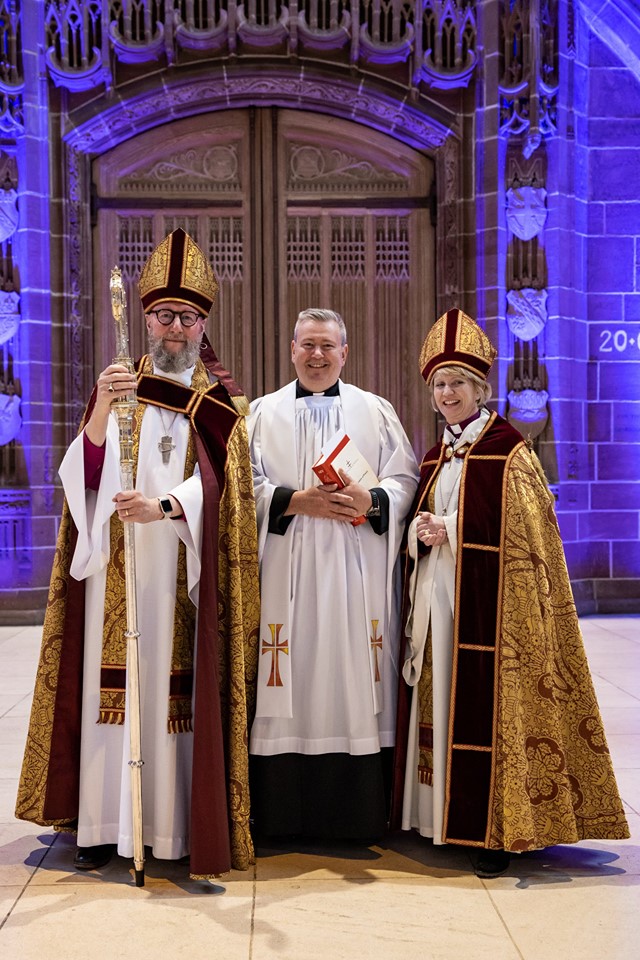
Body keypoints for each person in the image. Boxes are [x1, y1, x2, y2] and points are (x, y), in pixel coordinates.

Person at [15, 228, 260, 880]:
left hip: (181, 572)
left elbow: (228, 490)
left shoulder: (222, 404)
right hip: (116, 573)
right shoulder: (119, 386)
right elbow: (83, 474)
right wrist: (100, 410)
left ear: (203, 324)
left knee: (172, 700)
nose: (175, 328)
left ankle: (174, 830)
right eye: (165, 315)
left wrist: (168, 507)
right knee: (111, 692)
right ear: (146, 319)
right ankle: (102, 825)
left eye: (188, 317)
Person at [391, 307, 630, 877]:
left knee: (488, 706)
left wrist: (450, 528)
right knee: (440, 700)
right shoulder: (433, 456)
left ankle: (496, 829)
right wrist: (418, 534)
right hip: (437, 603)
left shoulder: (509, 451)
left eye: (458, 382)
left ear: (480, 388)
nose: (448, 393)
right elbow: (421, 522)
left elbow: (525, 535)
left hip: (493, 613)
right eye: (439, 384)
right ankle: (439, 820)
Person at [248, 308, 419, 840]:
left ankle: (357, 816)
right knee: (288, 679)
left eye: (327, 346)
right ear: (292, 350)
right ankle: (281, 818)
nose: (317, 355)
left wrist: (373, 500)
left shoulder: (375, 411)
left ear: (344, 353)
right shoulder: (260, 414)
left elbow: (406, 480)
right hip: (286, 578)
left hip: (355, 577)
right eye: (308, 345)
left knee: (353, 679)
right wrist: (294, 500)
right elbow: (240, 486)